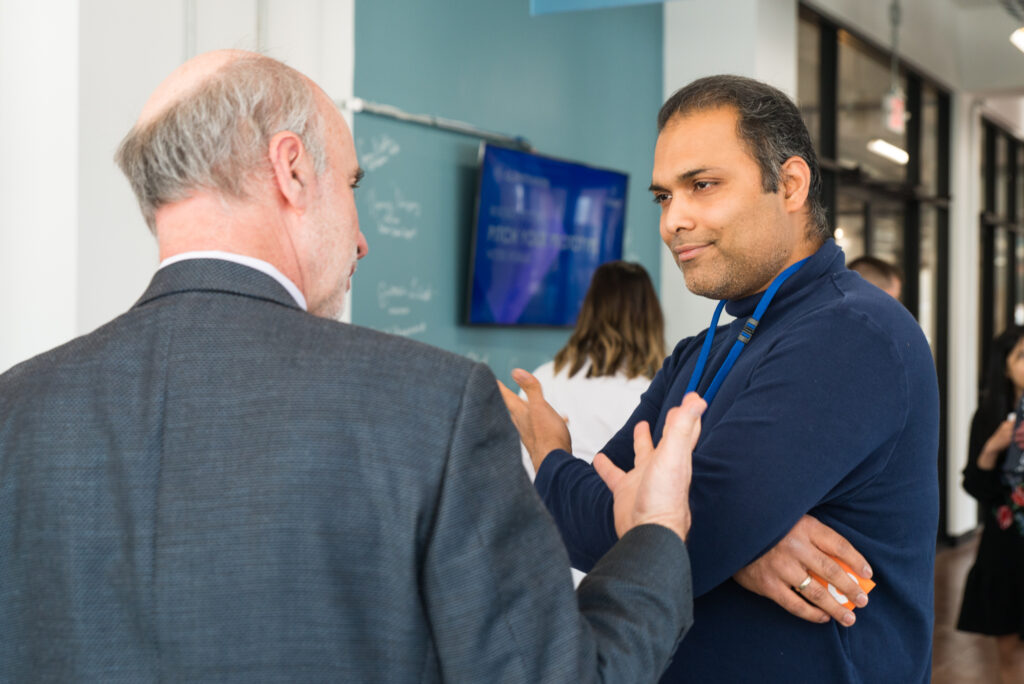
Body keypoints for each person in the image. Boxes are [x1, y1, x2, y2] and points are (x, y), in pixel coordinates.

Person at [0, 50, 705, 682]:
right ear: (292, 168)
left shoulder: (16, 406)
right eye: (353, 183)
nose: (363, 240)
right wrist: (654, 536)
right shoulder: (435, 405)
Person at [502, 74, 939, 682]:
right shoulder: (703, 348)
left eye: (702, 185)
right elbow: (600, 522)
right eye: (663, 197)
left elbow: (659, 539)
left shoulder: (851, 334)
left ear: (789, 184)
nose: (673, 221)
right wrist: (739, 546)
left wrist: (550, 452)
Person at [521, 260, 665, 479]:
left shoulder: (542, 379)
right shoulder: (651, 396)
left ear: (588, 309)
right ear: (651, 318)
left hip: (539, 508)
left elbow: (521, 467)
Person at [958, 326, 1024, 683]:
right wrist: (993, 448)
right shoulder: (988, 419)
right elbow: (975, 487)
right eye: (1022, 357)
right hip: (1006, 552)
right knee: (1010, 651)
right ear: (1005, 367)